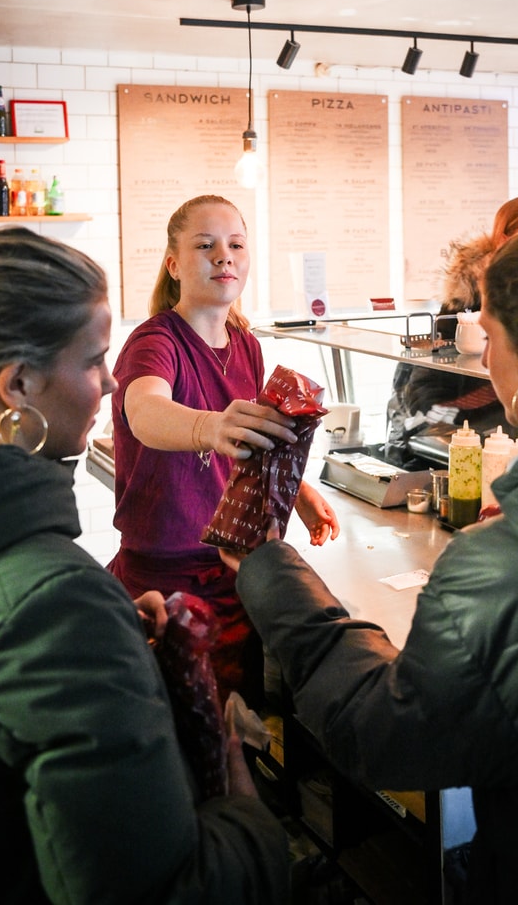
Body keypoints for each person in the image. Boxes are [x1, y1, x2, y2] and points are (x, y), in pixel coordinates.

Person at [0, 227, 289, 904]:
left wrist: (114, 635)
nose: (110, 381)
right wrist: (248, 820)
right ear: (18, 385)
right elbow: (166, 892)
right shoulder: (55, 610)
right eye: (93, 359)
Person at [227, 220, 518, 904]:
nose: (482, 356)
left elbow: (390, 737)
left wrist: (269, 568)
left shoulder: (505, 566)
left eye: (493, 335)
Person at [109, 194, 339, 705]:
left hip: (234, 568)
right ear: (174, 264)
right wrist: (209, 428)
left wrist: (296, 488)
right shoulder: (155, 342)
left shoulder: (246, 343)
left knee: (237, 727)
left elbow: (244, 444)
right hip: (164, 574)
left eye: (235, 244)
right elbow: (144, 410)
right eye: (205, 245)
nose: (224, 256)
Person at [385, 195, 518, 466]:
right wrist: (453, 428)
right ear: (505, 239)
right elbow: (429, 379)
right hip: (475, 433)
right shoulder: (466, 298)